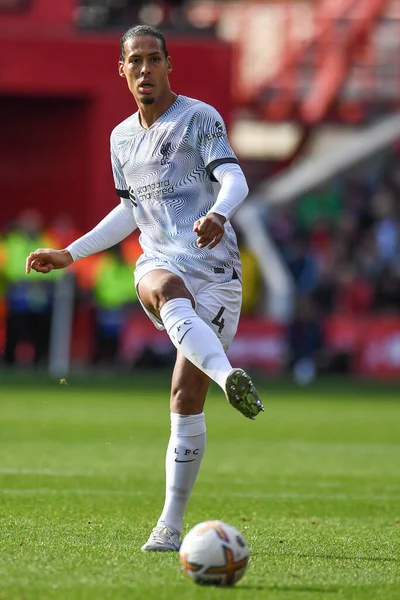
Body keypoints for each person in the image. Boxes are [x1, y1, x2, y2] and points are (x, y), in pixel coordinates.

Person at [26, 24, 264, 552]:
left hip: (217, 277)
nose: (144, 70)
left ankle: (173, 515)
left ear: (168, 65)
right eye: (135, 61)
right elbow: (128, 212)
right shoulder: (120, 139)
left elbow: (235, 179)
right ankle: (228, 383)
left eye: (154, 59)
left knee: (183, 395)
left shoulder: (199, 119)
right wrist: (73, 253)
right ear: (122, 70)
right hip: (163, 265)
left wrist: (219, 214)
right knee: (159, 279)